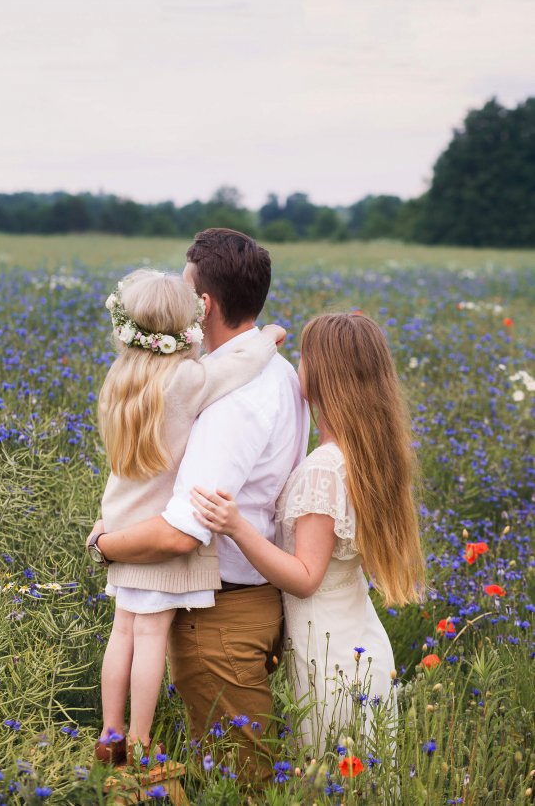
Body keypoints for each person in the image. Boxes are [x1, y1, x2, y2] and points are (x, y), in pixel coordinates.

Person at [87, 229, 309, 780]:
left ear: (204, 304)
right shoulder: (268, 374)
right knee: (233, 772)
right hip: (237, 595)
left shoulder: (142, 381)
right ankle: (133, 738)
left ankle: (118, 734)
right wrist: (271, 337)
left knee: (241, 780)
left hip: (218, 611)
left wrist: (105, 544)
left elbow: (183, 533)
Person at [191, 312, 426, 755]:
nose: (296, 366)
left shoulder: (324, 468)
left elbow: (305, 576)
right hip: (359, 648)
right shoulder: (365, 455)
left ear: (321, 375)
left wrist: (236, 526)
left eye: (304, 358)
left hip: (333, 664)